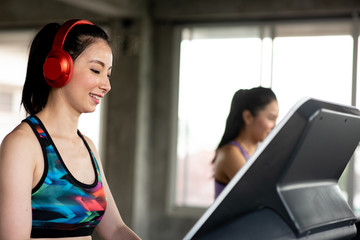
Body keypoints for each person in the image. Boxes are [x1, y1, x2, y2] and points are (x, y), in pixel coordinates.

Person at [0, 19, 141, 240]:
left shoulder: (88, 147)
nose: (107, 84)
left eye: (108, 74)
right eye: (96, 70)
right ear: (60, 67)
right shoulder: (23, 145)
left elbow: (115, 230)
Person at [212, 87, 279, 199]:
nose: (275, 126)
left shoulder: (256, 153)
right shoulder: (230, 154)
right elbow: (258, 196)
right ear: (248, 117)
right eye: (271, 118)